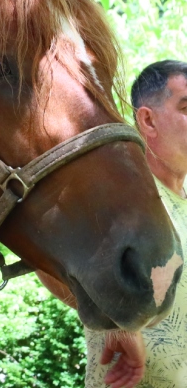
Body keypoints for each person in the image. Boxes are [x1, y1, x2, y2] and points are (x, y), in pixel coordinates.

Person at [39, 60, 187, 388]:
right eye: (186, 107)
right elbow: (47, 263)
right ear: (148, 120)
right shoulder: (118, 201)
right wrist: (117, 324)